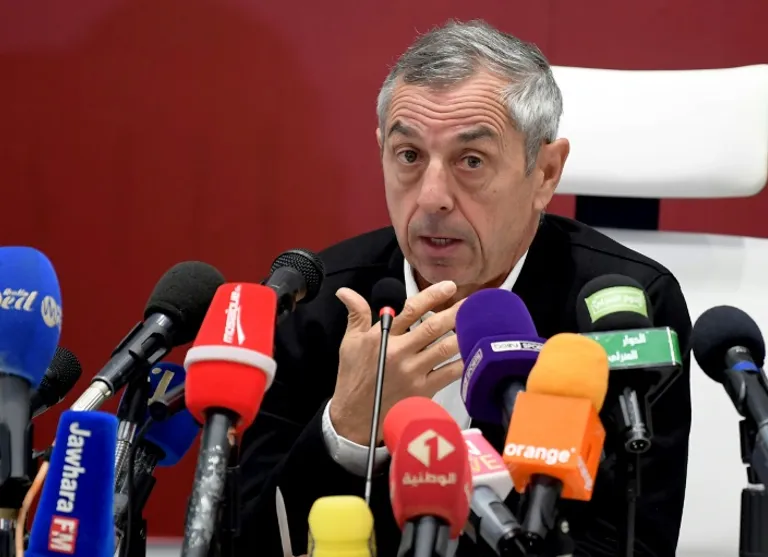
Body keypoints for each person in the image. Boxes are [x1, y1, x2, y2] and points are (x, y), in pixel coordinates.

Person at [235, 19, 691, 557]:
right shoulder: (317, 305)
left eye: (470, 161)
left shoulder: (622, 312)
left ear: (545, 173)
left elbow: (630, 542)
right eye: (409, 156)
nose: (432, 197)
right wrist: (349, 428)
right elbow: (245, 541)